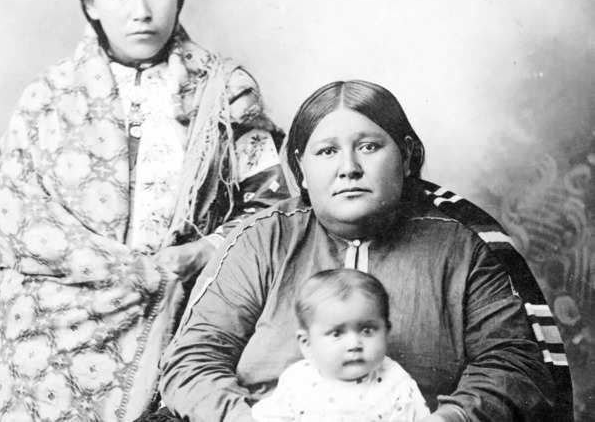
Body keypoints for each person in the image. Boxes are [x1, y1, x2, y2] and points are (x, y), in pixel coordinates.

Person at [0, 0, 289, 422]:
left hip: (181, 321)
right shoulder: (49, 97)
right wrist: (139, 273)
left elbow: (273, 206)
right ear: (91, 3)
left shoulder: (225, 91)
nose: (141, 11)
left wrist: (207, 250)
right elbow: (15, 214)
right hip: (52, 334)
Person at [159, 80, 573, 422]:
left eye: (370, 146)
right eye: (327, 151)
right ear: (301, 169)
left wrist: (450, 420)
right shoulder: (261, 240)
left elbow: (512, 365)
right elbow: (194, 359)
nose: (349, 167)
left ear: (408, 158)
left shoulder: (459, 247)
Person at [251, 269, 430, 422]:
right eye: (337, 333)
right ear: (307, 343)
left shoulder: (395, 382)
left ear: (386, 332)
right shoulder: (297, 381)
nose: (354, 344)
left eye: (367, 330)